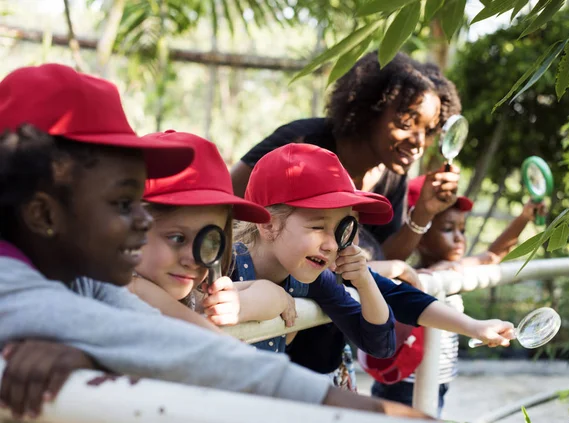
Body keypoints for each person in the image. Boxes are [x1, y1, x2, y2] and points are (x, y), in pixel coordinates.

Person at [0, 64, 433, 421]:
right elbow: (159, 345)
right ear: (42, 214)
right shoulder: (11, 287)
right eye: (122, 203)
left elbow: (191, 346)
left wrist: (89, 356)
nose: (141, 219)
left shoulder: (82, 280)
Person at [229, 50, 464, 374]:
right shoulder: (300, 144)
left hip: (321, 345)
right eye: (407, 122)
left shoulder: (392, 177)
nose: (419, 141)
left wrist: (423, 212)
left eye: (429, 129)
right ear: (372, 108)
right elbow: (224, 205)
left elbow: (377, 256)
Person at [234, 144, 515, 360]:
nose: (332, 244)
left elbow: (381, 341)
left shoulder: (315, 274)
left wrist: (365, 281)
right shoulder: (222, 265)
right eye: (318, 226)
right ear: (269, 225)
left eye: (342, 229)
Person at [370, 175, 545, 416]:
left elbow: (491, 256)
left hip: (438, 380)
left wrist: (524, 217)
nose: (459, 238)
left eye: (462, 229)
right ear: (420, 237)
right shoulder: (410, 278)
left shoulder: (453, 271)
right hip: (404, 384)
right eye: (447, 229)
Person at [130, 130, 297, 329]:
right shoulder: (121, 288)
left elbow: (273, 294)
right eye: (177, 238)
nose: (193, 259)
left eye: (209, 241)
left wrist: (237, 307)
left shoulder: (190, 296)